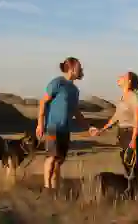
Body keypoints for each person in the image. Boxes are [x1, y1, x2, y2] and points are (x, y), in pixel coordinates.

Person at [36, 57, 95, 196]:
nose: (82, 70)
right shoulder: (57, 83)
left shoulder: (74, 90)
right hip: (52, 127)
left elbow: (76, 111)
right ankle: (47, 189)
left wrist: (88, 127)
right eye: (80, 67)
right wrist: (40, 123)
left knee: (59, 161)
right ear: (72, 68)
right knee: (51, 157)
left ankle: (54, 190)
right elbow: (43, 102)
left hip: (65, 129)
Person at [92, 71, 138, 181]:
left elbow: (137, 121)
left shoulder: (134, 98)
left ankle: (137, 190)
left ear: (129, 81)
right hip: (122, 133)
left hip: (132, 133)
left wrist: (133, 141)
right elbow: (116, 117)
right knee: (126, 163)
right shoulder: (122, 97)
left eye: (123, 76)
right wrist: (101, 130)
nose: (119, 77)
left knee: (132, 164)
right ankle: (136, 186)